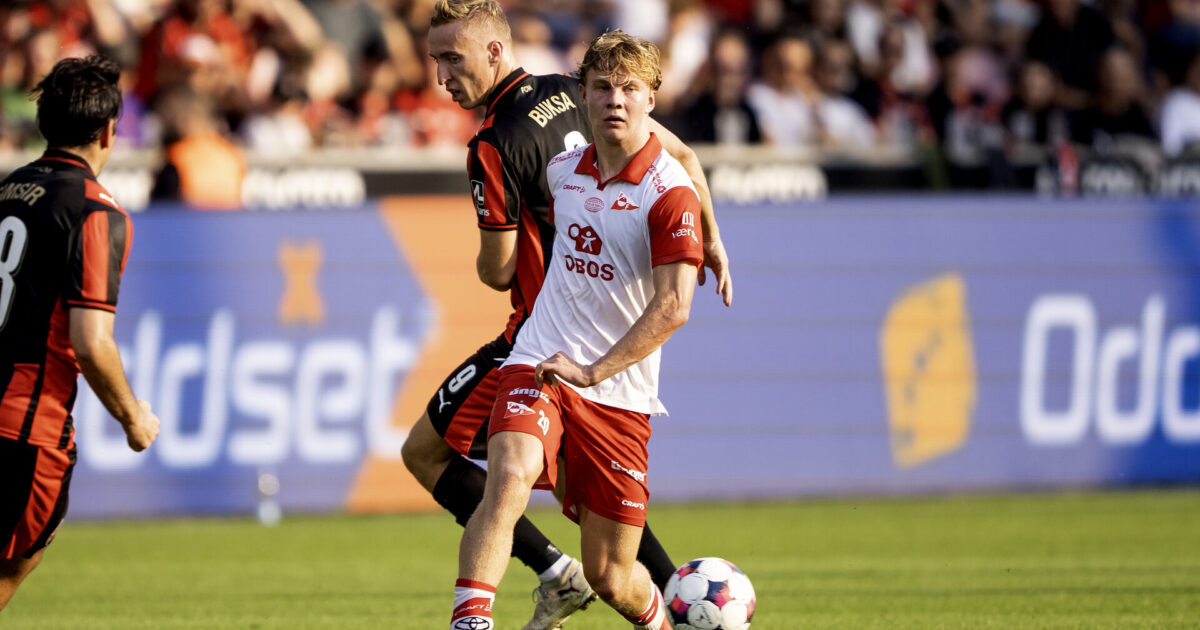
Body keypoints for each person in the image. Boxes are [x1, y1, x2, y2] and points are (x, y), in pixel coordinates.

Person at [404, 2, 732, 629]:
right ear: (586, 91)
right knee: (510, 470)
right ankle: (499, 604)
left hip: (553, 333)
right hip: (549, 347)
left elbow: (498, 270)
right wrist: (714, 239)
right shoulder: (566, 97)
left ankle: (604, 585)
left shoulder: (495, 142)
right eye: (436, 60)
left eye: (453, 58)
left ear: (496, 51)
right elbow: (688, 159)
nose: (442, 75)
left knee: (601, 553)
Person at [0, 55, 160, 610]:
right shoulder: (95, 211)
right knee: (13, 561)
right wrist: (132, 417)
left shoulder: (6, 191)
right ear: (109, 130)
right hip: (23, 426)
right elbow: (91, 341)